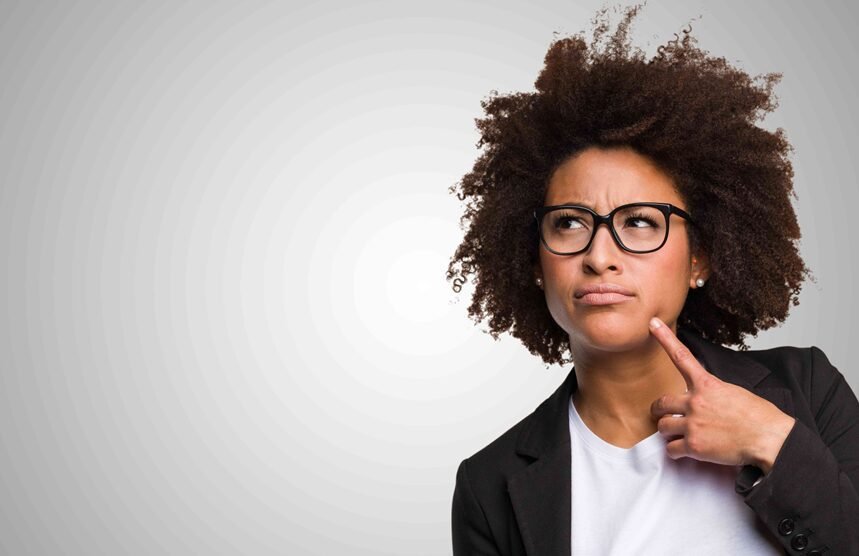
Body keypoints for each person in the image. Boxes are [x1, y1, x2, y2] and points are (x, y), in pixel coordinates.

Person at [446, 4, 859, 555]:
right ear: (532, 261)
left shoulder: (806, 389)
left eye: (640, 222)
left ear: (700, 260)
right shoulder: (490, 485)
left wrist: (770, 441)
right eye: (568, 223)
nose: (599, 256)